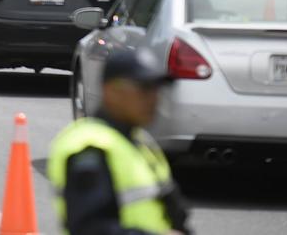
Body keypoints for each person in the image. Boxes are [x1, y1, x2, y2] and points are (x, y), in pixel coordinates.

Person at [48, 49, 192, 235]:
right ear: (112, 91)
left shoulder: (140, 141)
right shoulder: (90, 148)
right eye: (144, 89)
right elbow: (90, 229)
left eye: (156, 89)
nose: (154, 99)